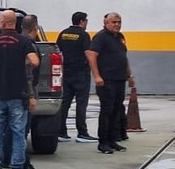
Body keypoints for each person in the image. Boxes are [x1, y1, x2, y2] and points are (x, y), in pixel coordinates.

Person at [0, 9, 40, 169]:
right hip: (17, 95)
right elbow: (34, 61)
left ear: (3, 23)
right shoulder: (23, 41)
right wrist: (21, 61)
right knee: (18, 132)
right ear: (15, 23)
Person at [86, 12, 134, 154]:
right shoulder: (101, 37)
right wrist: (97, 76)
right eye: (114, 22)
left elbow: (123, 58)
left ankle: (113, 140)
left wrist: (129, 75)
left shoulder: (119, 38)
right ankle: (103, 142)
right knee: (107, 110)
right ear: (106, 23)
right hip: (106, 80)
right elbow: (92, 55)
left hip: (119, 79)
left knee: (116, 110)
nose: (117, 25)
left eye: (119, 22)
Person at [1, 13, 41, 169]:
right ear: (36, 28)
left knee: (12, 128)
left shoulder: (13, 42)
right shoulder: (26, 44)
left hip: (8, 90)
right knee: (21, 129)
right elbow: (28, 74)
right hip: (23, 92)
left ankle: (6, 160)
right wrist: (31, 95)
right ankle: (23, 163)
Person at [56, 11, 96, 143]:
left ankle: (61, 132)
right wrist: (95, 71)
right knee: (81, 103)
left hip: (66, 73)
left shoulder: (63, 33)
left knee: (65, 103)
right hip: (80, 74)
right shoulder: (84, 35)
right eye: (86, 21)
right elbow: (88, 53)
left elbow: (58, 52)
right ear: (82, 21)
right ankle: (82, 133)